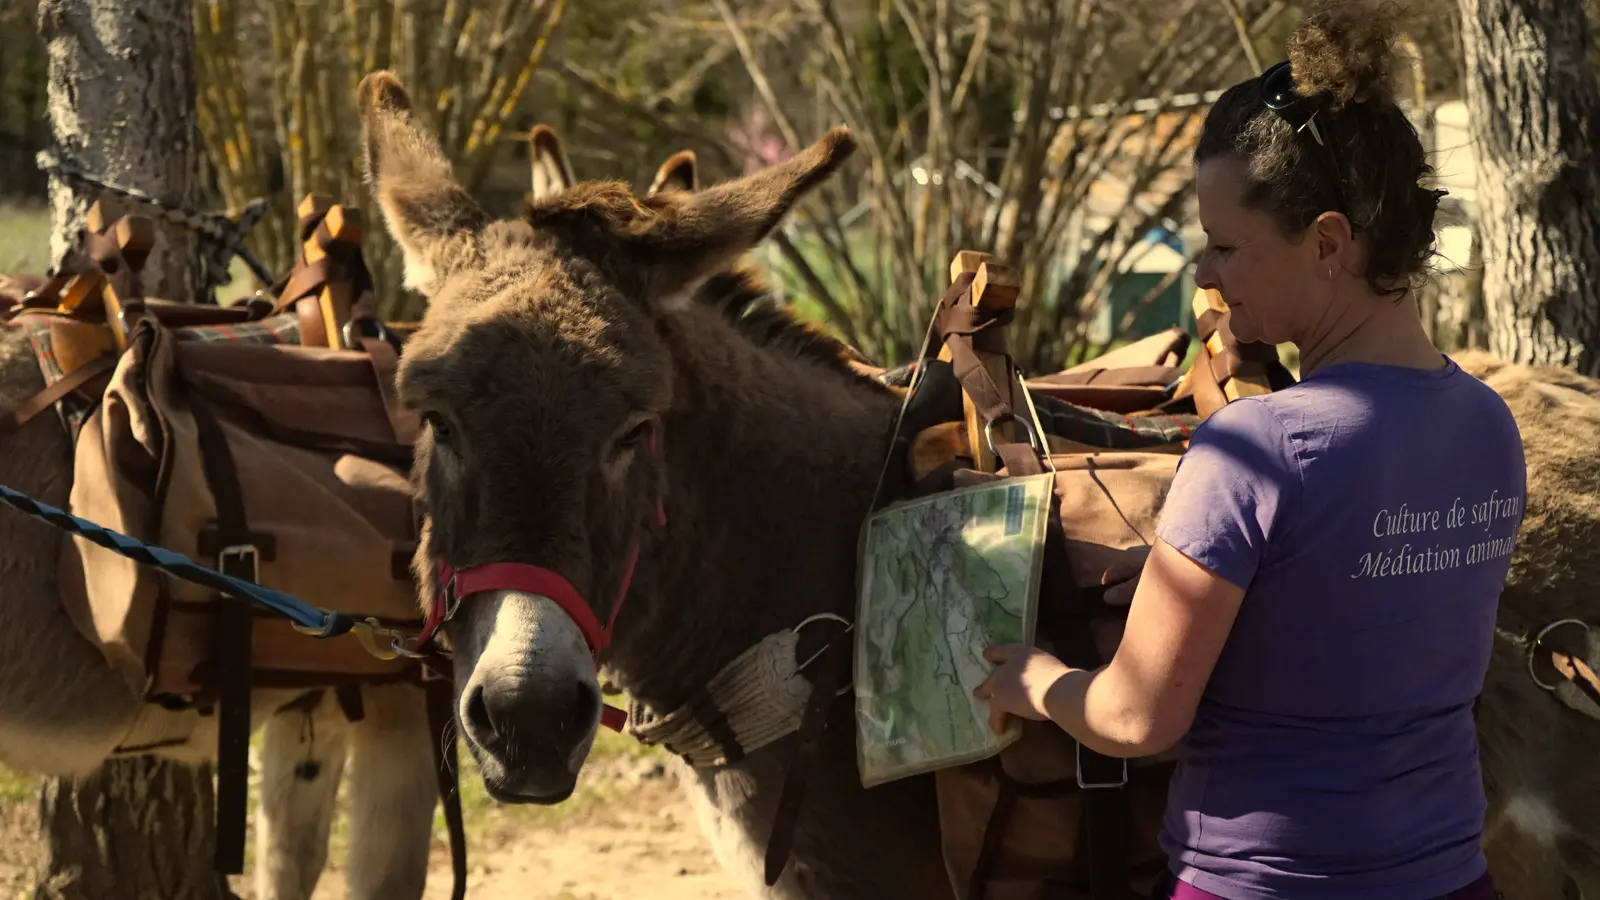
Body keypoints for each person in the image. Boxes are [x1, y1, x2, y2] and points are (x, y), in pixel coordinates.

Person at [972, 2, 1527, 898]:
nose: (1203, 275)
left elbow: (1136, 717)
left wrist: (1038, 682)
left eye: (1226, 246)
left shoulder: (1257, 450)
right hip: (1450, 877)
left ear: (1328, 243)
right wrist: (1208, 575)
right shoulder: (1488, 424)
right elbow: (1361, 619)